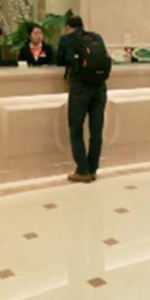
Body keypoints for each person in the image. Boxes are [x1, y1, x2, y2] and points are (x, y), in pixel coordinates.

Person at [55, 14, 112, 183]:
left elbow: (59, 61)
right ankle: (93, 169)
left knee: (76, 129)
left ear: (68, 27)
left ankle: (82, 170)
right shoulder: (97, 37)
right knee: (96, 131)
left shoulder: (66, 39)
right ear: (82, 25)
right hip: (100, 87)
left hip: (80, 88)